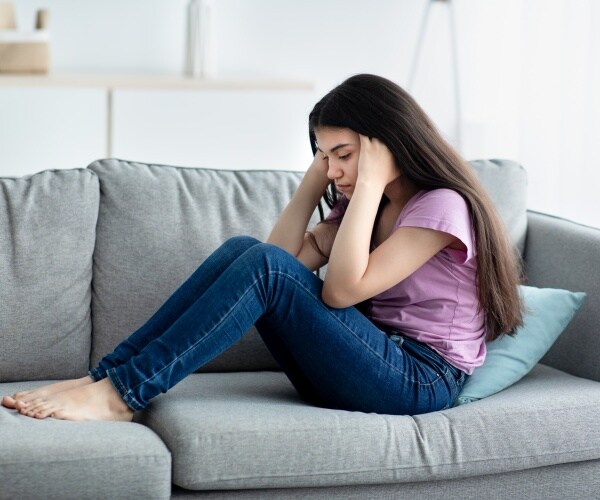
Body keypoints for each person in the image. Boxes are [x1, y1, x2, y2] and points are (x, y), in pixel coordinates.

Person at [2, 74, 523, 421]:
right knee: (242, 249)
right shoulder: (356, 210)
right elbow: (278, 265)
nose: (334, 169)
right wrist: (310, 187)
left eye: (343, 154)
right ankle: (106, 378)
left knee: (264, 264)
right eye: (324, 156)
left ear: (389, 146)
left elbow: (341, 292)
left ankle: (122, 396)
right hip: (365, 362)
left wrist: (366, 186)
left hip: (418, 380)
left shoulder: (440, 207)